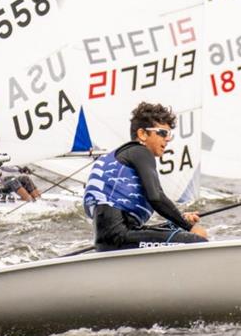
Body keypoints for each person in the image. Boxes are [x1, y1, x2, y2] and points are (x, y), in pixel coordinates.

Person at [84, 102, 208, 251]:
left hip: (110, 239)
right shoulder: (140, 152)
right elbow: (156, 197)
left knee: (178, 230)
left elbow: (128, 224)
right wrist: (189, 226)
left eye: (169, 134)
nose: (167, 139)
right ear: (142, 134)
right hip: (119, 238)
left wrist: (179, 220)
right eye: (162, 133)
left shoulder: (125, 155)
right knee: (198, 240)